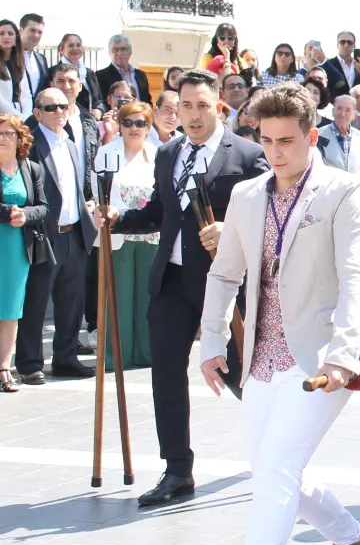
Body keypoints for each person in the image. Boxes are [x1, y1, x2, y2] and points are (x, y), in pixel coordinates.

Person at [197, 83, 360, 545]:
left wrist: (345, 355)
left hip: (322, 357)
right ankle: (350, 538)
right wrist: (209, 343)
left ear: (311, 136)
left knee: (276, 468)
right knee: (277, 471)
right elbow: (225, 273)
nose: (276, 152)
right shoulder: (247, 196)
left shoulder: (346, 191)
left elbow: (355, 277)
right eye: (266, 140)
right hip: (260, 359)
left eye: (287, 142)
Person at [97, 69, 269, 507]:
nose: (193, 116)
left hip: (224, 283)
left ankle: (278, 449)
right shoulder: (169, 152)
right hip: (171, 280)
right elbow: (162, 210)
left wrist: (230, 229)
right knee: (166, 376)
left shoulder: (248, 156)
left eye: (202, 106)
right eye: (185, 106)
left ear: (219, 107)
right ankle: (177, 470)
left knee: (242, 373)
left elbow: (272, 215)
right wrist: (122, 219)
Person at [15, 87, 96, 383]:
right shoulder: (31, 145)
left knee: (72, 303)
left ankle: (65, 358)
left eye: (63, 106)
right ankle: (29, 362)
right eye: (51, 108)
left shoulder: (71, 143)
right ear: (37, 113)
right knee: (36, 302)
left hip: (74, 233)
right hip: (44, 235)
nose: (59, 112)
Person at [92, 101, 160, 371]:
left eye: (140, 123)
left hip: (149, 234)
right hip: (116, 234)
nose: (134, 128)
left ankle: (145, 352)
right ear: (119, 125)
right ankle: (116, 354)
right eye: (128, 122)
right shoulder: (106, 154)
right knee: (118, 296)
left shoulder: (157, 155)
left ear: (148, 126)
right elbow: (98, 194)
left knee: (147, 295)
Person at [0, 114, 48, 392]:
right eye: (0, 133)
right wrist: (8, 213)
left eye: (10, 133)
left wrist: (25, 215)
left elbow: (43, 207)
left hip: (18, 247)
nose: (4, 138)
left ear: (20, 139)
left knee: (10, 309)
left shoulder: (30, 169)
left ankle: (5, 368)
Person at [52, 33, 104, 115]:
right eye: (71, 45)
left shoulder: (89, 73)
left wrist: (99, 110)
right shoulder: (53, 72)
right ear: (61, 50)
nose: (75, 48)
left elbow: (99, 100)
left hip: (90, 121)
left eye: (78, 45)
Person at [317, 95, 360, 179]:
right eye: (339, 108)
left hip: (355, 189)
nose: (342, 114)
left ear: (354, 115)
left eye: (348, 110)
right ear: (333, 111)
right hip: (328, 189)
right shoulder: (320, 135)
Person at [95, 34, 151, 105]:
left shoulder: (141, 75)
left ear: (130, 51)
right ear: (109, 52)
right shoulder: (100, 76)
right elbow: (101, 103)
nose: (119, 53)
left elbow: (147, 101)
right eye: (115, 49)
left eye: (123, 49)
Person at [0, 19, 31, 119]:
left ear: (16, 39)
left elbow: (26, 95)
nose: (6, 37)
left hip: (20, 117)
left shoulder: (19, 63)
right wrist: (19, 118)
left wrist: (27, 116)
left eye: (10, 34)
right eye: (1, 33)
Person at [321, 32, 359, 101]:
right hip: (334, 108)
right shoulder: (328, 65)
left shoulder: (359, 66)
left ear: (354, 46)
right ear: (337, 45)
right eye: (342, 42)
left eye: (349, 42)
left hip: (356, 109)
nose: (346, 45)